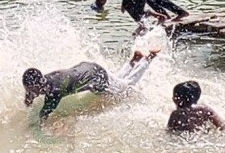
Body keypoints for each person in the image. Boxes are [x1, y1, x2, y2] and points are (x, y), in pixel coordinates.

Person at [23, 48, 161, 122]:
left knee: (125, 88)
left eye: (31, 89)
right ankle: (133, 61)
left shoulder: (55, 91)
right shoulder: (42, 80)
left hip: (95, 78)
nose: (29, 91)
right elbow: (30, 97)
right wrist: (28, 99)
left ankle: (148, 58)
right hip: (88, 67)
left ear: (38, 85)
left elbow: (43, 117)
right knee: (117, 81)